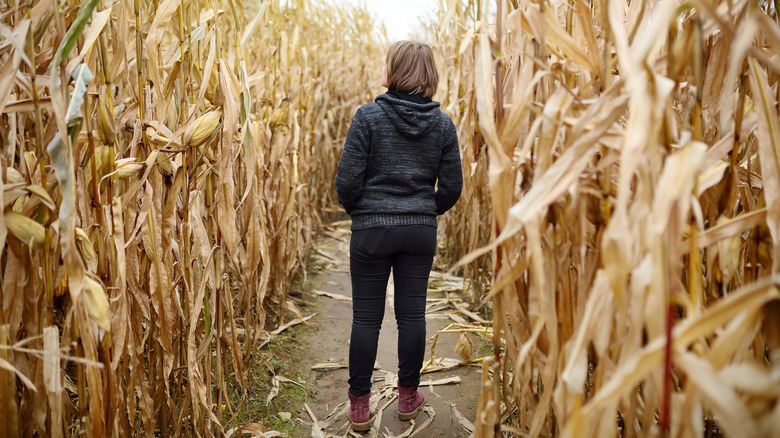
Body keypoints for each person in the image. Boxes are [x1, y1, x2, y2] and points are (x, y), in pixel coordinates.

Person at [335, 40, 463, 432]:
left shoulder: (368, 117)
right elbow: (452, 186)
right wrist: (424, 211)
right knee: (412, 316)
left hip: (371, 231)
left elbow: (347, 181)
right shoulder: (443, 125)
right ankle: (408, 397)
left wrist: (363, 211)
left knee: (366, 319)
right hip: (419, 232)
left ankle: (359, 406)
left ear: (395, 71)